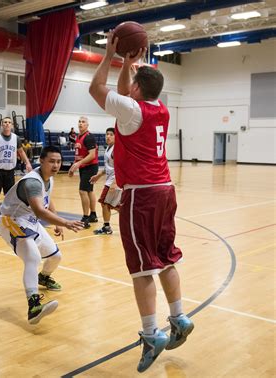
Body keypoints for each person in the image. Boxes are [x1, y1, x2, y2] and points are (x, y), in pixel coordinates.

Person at [89, 34, 194, 373]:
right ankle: (179, 316)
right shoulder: (159, 108)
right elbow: (124, 94)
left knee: (142, 267)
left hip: (143, 194)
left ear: (136, 89)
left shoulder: (131, 110)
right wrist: (128, 65)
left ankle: (151, 334)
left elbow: (97, 89)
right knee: (165, 258)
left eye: (132, 83)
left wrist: (108, 55)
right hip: (165, 190)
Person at [0, 146, 83, 324]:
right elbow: (39, 211)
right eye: (51, 161)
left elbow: (47, 200)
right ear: (41, 161)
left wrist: (56, 219)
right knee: (33, 258)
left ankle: (43, 277)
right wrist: (65, 222)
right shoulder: (32, 182)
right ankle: (33, 306)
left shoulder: (48, 179)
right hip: (12, 221)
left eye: (58, 162)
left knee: (56, 257)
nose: (56, 165)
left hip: (29, 221)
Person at [0, 117, 32, 230]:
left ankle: (7, 217)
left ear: (12, 125)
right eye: (5, 122)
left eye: (9, 122)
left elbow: (21, 152)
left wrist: (28, 163)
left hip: (10, 171)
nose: (7, 124)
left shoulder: (16, 138)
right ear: (1, 124)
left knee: (9, 197)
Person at [67, 116, 99, 228]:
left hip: (90, 166)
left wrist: (78, 164)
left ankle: (85, 218)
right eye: (79, 122)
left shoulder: (89, 137)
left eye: (83, 122)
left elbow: (92, 155)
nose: (81, 123)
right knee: (89, 191)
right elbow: (78, 155)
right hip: (83, 166)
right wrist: (73, 167)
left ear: (87, 125)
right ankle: (93, 215)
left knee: (83, 191)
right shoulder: (78, 137)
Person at [89, 127, 122, 235]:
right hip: (109, 180)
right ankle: (132, 219)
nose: (108, 136)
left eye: (111, 134)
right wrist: (98, 176)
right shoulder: (108, 148)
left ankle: (106, 227)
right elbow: (108, 167)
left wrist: (115, 182)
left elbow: (121, 167)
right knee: (116, 206)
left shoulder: (117, 149)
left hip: (113, 182)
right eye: (107, 134)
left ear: (116, 136)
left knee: (105, 203)